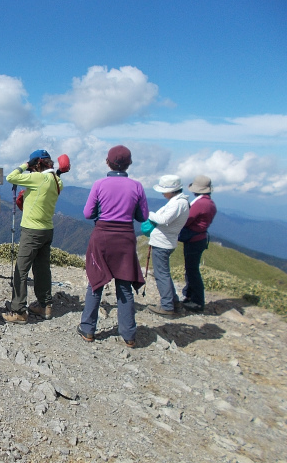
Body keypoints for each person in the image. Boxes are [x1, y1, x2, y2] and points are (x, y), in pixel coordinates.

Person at [78, 145, 148, 348]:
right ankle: (129, 335)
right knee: (124, 286)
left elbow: (88, 214)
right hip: (126, 238)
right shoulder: (137, 186)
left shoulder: (99, 184)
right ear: (129, 163)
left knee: (96, 282)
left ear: (107, 162)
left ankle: (88, 329)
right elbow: (142, 216)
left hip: (102, 236)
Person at [3, 149, 63, 323]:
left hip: (32, 231)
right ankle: (45, 305)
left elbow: (11, 177)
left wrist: (25, 165)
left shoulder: (38, 178)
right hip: (47, 229)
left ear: (36, 164)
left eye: (32, 166)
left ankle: (18, 311)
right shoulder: (57, 180)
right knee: (42, 268)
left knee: (21, 270)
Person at [145, 175, 190, 316]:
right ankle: (173, 301)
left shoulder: (177, 204)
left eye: (164, 191)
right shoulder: (181, 202)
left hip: (162, 243)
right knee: (164, 273)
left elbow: (164, 219)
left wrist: (147, 213)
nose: (163, 194)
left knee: (161, 274)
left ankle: (167, 306)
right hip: (168, 241)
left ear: (172, 190)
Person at [181, 175, 217, 312]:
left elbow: (187, 219)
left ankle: (197, 301)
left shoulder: (201, 203)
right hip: (200, 238)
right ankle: (190, 296)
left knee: (192, 270)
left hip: (193, 240)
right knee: (192, 268)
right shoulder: (210, 203)